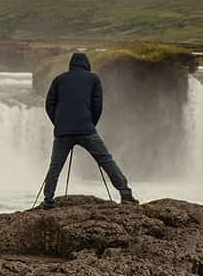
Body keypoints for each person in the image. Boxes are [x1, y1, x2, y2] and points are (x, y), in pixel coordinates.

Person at [41, 52, 138, 208]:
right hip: (86, 129)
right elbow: (97, 105)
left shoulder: (59, 79)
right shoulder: (93, 79)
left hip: (63, 132)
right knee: (106, 161)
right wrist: (90, 123)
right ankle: (126, 194)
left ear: (71, 64)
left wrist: (59, 123)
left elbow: (49, 104)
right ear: (86, 64)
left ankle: (48, 200)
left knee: (55, 167)